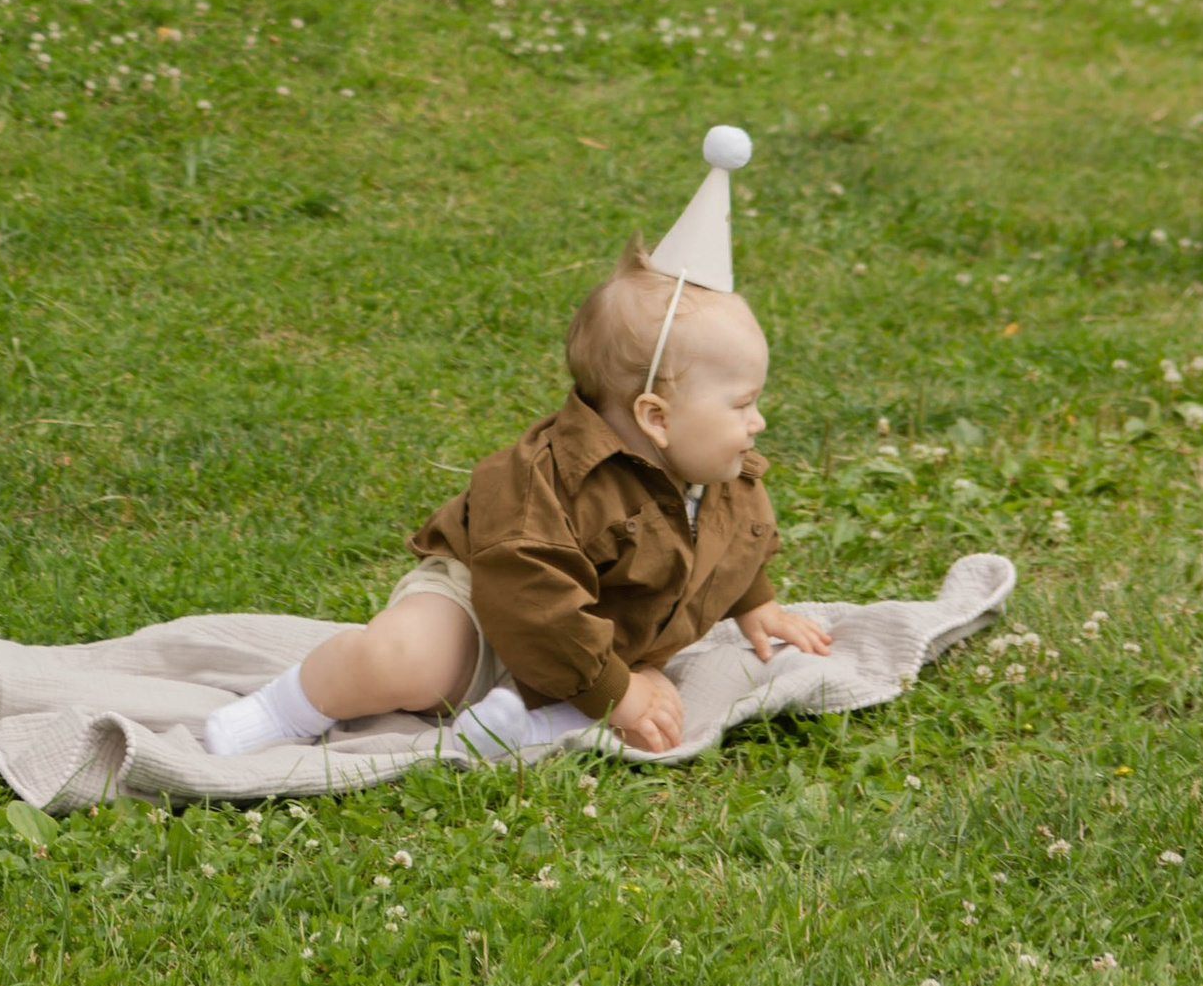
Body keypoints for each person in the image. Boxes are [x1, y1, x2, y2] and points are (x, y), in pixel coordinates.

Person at [204, 126, 834, 759]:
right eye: (744, 403)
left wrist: (756, 605)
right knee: (406, 663)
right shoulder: (551, 482)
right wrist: (616, 690)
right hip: (486, 612)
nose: (758, 422)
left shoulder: (721, 475)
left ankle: (516, 723)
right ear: (656, 417)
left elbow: (730, 545)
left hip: (586, 648)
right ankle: (288, 706)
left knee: (651, 704)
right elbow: (534, 604)